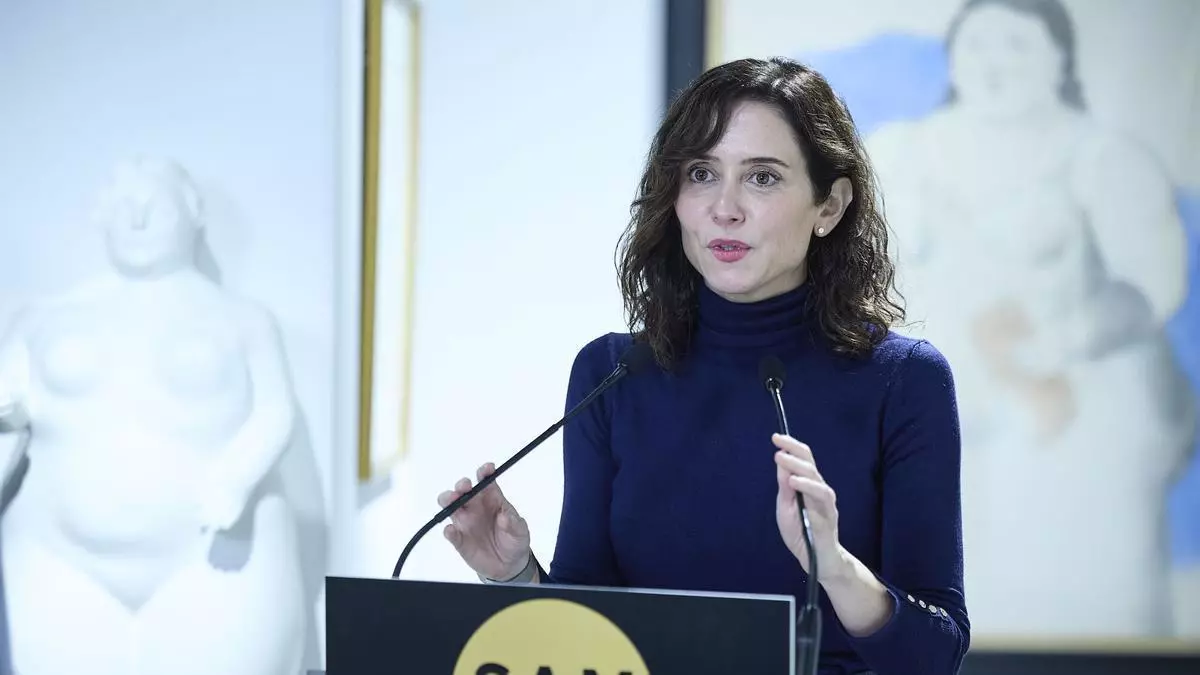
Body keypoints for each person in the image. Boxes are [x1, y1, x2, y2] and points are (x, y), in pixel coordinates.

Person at [437, 57, 969, 674]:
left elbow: (936, 652)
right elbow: (590, 629)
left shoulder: (904, 380)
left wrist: (834, 565)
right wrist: (513, 576)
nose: (725, 208)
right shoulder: (611, 374)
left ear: (829, 205)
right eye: (701, 174)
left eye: (762, 177)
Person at [866, 0, 1195, 637]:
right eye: (978, 45)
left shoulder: (1102, 156)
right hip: (937, 400)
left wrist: (1059, 342)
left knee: (1082, 582)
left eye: (1017, 45)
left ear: (1060, 58)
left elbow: (1154, 281)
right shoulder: (900, 152)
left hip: (1073, 399)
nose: (995, 63)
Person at [0, 157, 311, 675]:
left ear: (194, 212)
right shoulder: (42, 320)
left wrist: (235, 478)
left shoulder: (242, 319)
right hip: (57, 557)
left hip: (213, 556)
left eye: (155, 207)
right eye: (124, 207)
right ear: (100, 216)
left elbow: (275, 413)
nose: (138, 220)